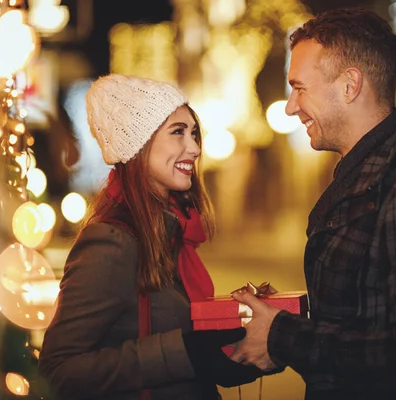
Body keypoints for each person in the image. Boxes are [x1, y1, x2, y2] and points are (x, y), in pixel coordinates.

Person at [231, 7, 396, 400]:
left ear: (350, 85)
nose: (292, 106)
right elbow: (364, 318)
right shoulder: (368, 180)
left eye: (300, 88)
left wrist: (284, 335)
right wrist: (279, 319)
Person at [39, 74, 261, 399]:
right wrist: (184, 353)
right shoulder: (112, 241)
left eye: (195, 134)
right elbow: (58, 370)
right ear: (138, 144)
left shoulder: (169, 233)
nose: (195, 148)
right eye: (178, 133)